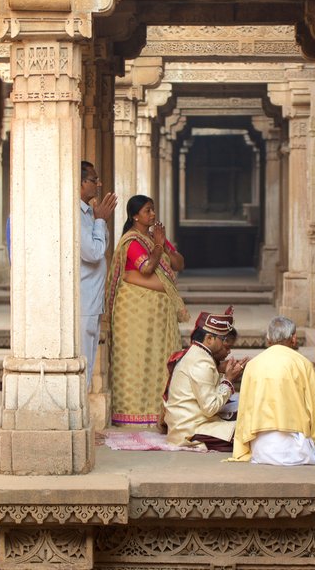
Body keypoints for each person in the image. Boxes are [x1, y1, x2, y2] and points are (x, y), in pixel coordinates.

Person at [105, 194, 187, 428]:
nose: (152, 214)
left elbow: (179, 264)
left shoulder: (153, 238)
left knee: (160, 360)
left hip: (157, 317)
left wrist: (162, 244)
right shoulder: (132, 242)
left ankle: (157, 413)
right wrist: (159, 245)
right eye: (148, 211)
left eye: (153, 210)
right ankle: (132, 415)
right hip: (135, 314)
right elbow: (148, 267)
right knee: (137, 359)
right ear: (135, 216)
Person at [231, 316, 315, 465]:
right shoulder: (302, 363)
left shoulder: (252, 365)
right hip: (297, 450)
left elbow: (244, 413)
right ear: (293, 339)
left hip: (260, 451)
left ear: (268, 339)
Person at [164, 311, 245, 451]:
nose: (229, 352)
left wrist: (219, 370)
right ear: (209, 339)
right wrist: (229, 380)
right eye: (226, 344)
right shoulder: (201, 363)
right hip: (190, 430)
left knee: (245, 415)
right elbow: (210, 408)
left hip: (190, 423)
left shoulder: (198, 354)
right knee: (249, 433)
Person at [80, 161, 117, 390]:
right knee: (82, 363)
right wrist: (101, 220)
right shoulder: (75, 214)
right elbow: (93, 252)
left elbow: (101, 247)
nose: (99, 184)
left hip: (92, 300)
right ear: (81, 183)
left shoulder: (88, 213)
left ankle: (83, 416)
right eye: (94, 180)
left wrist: (99, 220)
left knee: (89, 362)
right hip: (82, 300)